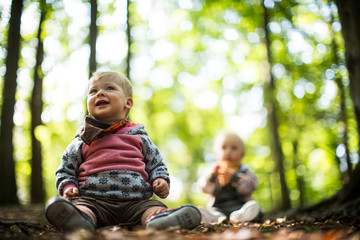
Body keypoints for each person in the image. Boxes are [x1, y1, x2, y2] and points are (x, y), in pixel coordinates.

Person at [45, 71, 201, 231]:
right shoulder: (83, 139)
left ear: (128, 103)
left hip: (137, 202)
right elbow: (66, 168)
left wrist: (160, 180)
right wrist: (68, 186)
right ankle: (80, 219)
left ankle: (159, 219)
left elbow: (156, 164)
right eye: (93, 91)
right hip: (93, 200)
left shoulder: (139, 137)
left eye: (110, 88)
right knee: (83, 207)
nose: (99, 93)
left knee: (151, 207)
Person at [197, 132, 261, 223]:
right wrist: (211, 177)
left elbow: (251, 186)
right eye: (224, 148)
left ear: (242, 154)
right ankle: (216, 218)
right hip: (218, 208)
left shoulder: (244, 170)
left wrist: (235, 177)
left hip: (240, 207)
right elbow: (202, 187)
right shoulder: (213, 170)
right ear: (216, 153)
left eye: (234, 148)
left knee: (252, 206)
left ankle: (241, 217)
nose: (228, 151)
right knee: (209, 211)